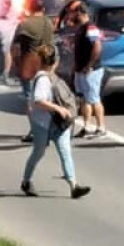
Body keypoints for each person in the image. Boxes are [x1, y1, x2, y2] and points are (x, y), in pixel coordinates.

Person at [21, 44, 91, 199]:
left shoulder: (52, 78)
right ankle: (26, 181)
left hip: (59, 124)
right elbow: (38, 100)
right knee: (38, 153)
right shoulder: (43, 80)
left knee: (65, 153)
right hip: (43, 124)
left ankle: (74, 186)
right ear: (55, 62)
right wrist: (58, 109)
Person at [13, 0, 56, 143]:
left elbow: (16, 47)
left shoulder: (25, 24)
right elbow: (52, 45)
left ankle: (35, 131)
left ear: (30, 7)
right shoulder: (49, 23)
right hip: (45, 63)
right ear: (43, 9)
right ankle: (46, 129)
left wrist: (15, 62)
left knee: (30, 99)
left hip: (29, 63)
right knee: (44, 99)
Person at [71, 4, 106, 138]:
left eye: (74, 12)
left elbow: (97, 46)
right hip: (81, 69)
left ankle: (101, 127)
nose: (72, 15)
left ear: (81, 12)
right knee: (84, 98)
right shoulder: (81, 28)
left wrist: (90, 65)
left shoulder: (91, 27)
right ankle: (86, 126)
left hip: (91, 70)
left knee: (94, 98)